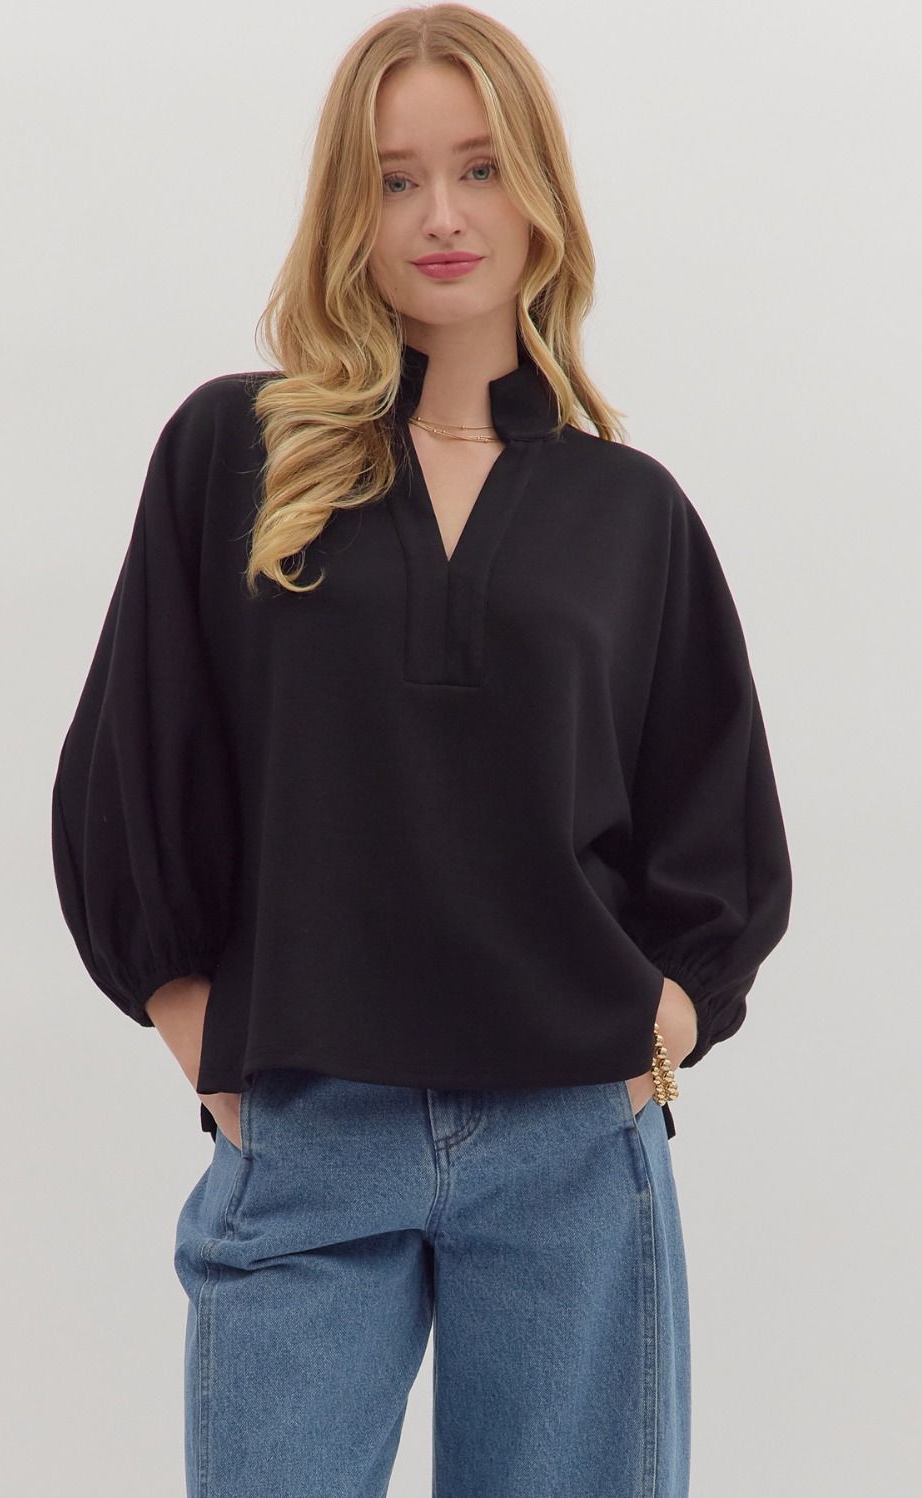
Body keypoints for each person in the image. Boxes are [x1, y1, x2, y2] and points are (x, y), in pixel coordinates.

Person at [50, 7, 792, 1495]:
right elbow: (135, 759)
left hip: (571, 1144)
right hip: (309, 1129)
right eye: (395, 180)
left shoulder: (629, 512)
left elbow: (714, 815)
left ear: (541, 192)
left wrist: (665, 1020)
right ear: (349, 208)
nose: (441, 215)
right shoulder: (238, 452)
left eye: (479, 168)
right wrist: (199, 1026)